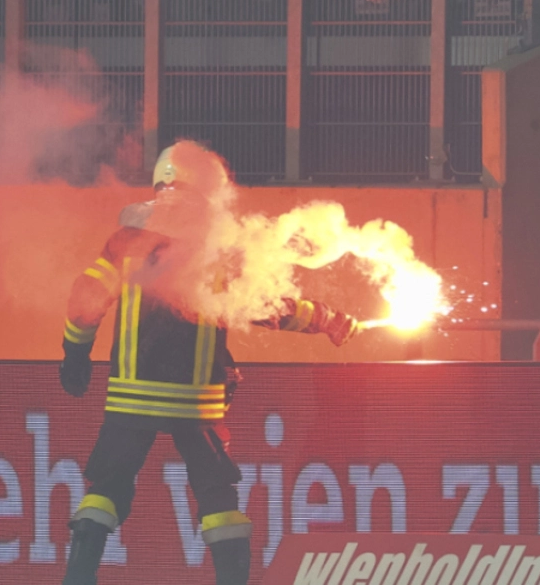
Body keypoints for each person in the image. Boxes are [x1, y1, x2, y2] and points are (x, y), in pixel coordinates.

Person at [58, 142, 362, 585]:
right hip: (196, 402)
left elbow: (85, 298)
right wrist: (327, 320)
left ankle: (78, 577)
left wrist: (75, 354)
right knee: (217, 495)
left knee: (106, 488)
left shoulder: (126, 241)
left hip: (130, 397)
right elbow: (267, 306)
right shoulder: (218, 248)